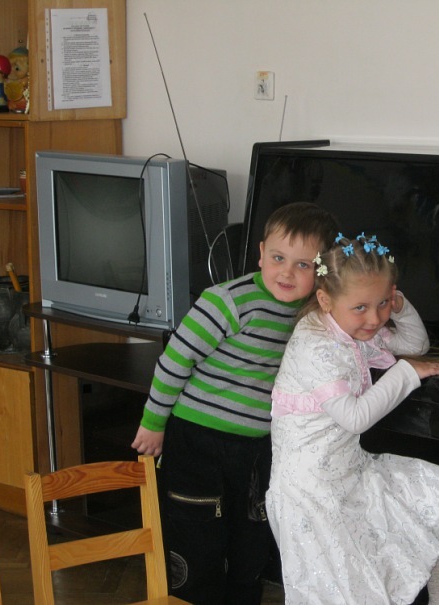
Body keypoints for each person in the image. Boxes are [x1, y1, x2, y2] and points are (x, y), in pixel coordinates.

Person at [131, 201, 339, 605]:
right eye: (278, 258)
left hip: (256, 450)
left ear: (322, 271)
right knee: (195, 538)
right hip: (197, 442)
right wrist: (153, 423)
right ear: (261, 253)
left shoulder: (313, 312)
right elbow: (174, 362)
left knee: (251, 543)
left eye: (303, 265)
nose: (287, 273)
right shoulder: (227, 301)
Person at [266, 232, 439, 605]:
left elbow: (416, 345)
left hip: (348, 472)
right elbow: (355, 418)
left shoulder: (348, 326)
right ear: (325, 300)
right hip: (311, 493)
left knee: (436, 495)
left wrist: (401, 307)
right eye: (361, 307)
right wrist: (408, 373)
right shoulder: (315, 344)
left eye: (382, 304)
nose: (375, 318)